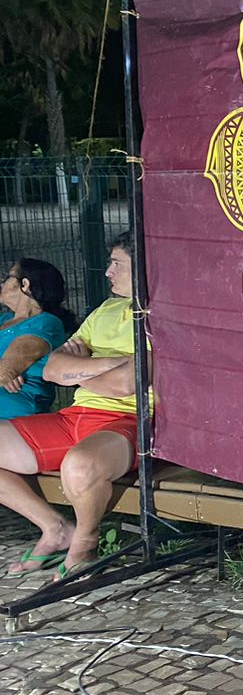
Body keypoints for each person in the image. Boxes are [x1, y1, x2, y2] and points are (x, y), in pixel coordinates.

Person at [1, 234, 144, 578]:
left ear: (142, 267)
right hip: (75, 417)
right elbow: (53, 369)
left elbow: (129, 384)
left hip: (128, 419)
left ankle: (84, 545)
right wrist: (114, 363)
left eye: (116, 264)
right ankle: (55, 529)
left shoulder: (159, 316)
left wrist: (78, 373)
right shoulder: (105, 310)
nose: (107, 272)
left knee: (79, 465)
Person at [0, 258, 77, 420]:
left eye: (8, 277)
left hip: (15, 419)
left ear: (24, 284)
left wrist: (6, 369)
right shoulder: (4, 319)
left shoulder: (45, 323)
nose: (2, 282)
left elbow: (5, 371)